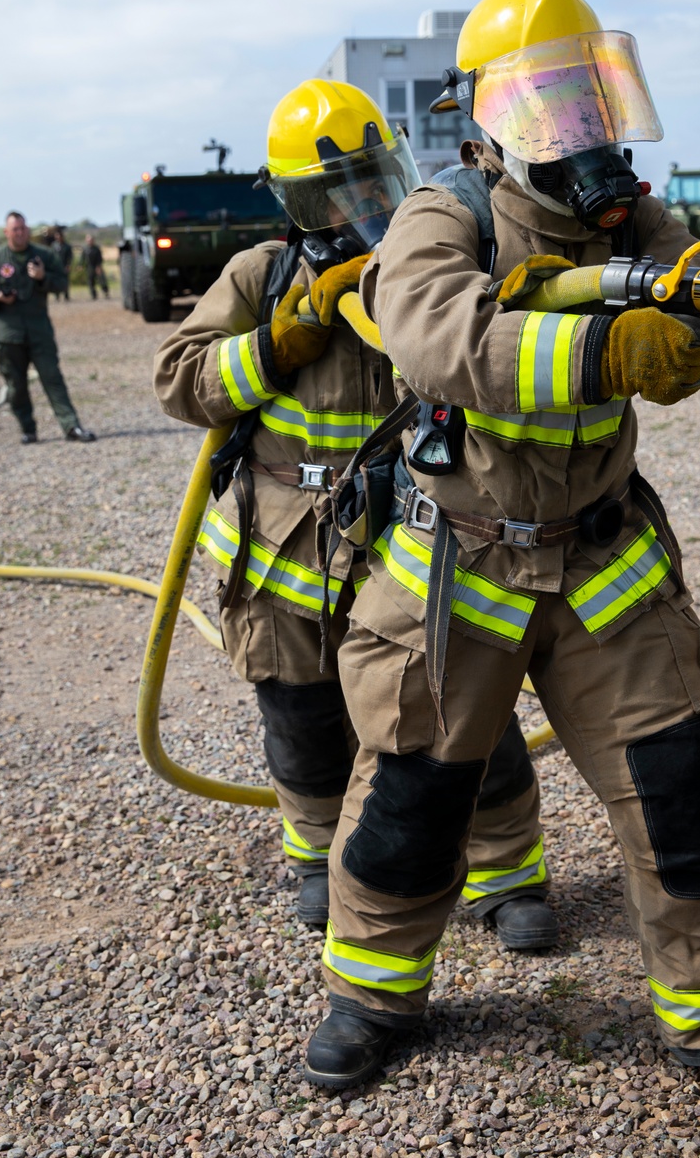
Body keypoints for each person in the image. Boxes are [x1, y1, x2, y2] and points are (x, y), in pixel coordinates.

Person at [305, 0, 700, 1124]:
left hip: (601, 564)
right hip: (458, 570)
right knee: (413, 801)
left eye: (587, 99)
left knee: (684, 794)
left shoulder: (634, 221)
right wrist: (599, 348)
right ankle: (375, 995)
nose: (576, 130)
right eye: (548, 103)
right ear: (488, 121)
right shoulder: (447, 217)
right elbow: (438, 338)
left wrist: (692, 322)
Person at [153, 80, 558, 957]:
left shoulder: (436, 267)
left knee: (460, 709)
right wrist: (273, 345)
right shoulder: (261, 277)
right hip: (281, 555)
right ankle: (316, 859)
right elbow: (178, 379)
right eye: (333, 194)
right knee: (300, 719)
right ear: (297, 203)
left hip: (414, 545)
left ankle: (506, 874)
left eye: (374, 182)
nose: (361, 208)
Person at [0, 211, 96, 444]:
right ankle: (27, 429)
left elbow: (61, 283)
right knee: (15, 386)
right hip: (7, 333)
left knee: (53, 378)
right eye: (15, 229)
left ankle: (71, 426)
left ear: (27, 230)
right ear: (6, 232)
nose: (20, 233)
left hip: (39, 331)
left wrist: (42, 278)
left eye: (23, 228)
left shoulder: (44, 256)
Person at [81, 233, 109, 299]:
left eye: (91, 240)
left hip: (97, 266)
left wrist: (98, 266)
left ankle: (106, 292)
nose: (89, 241)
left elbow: (100, 258)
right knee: (91, 282)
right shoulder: (85, 249)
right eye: (88, 240)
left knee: (102, 281)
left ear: (93, 240)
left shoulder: (96, 249)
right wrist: (81, 265)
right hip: (89, 267)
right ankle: (93, 295)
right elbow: (82, 258)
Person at [51, 225, 73, 301]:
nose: (58, 237)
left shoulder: (67, 246)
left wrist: (68, 265)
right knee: (56, 281)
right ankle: (57, 296)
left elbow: (70, 257)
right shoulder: (54, 245)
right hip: (56, 266)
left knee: (65, 281)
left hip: (64, 266)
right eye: (56, 236)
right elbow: (52, 255)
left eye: (59, 236)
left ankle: (66, 296)